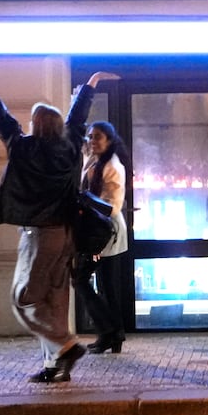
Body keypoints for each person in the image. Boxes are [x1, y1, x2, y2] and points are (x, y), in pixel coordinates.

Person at [0, 71, 119, 383]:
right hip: (67, 235)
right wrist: (90, 85)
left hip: (39, 234)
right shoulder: (70, 149)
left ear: (35, 126)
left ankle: (66, 345)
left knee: (23, 299)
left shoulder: (23, 148)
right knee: (54, 300)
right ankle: (56, 367)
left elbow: (2, 119)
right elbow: (78, 118)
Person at [75, 120, 131, 354]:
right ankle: (112, 333)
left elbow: (113, 208)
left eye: (98, 136)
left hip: (107, 231)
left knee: (89, 281)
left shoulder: (113, 167)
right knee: (101, 284)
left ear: (109, 140)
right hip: (95, 229)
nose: (92, 140)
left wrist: (85, 199)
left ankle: (111, 332)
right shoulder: (93, 161)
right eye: (90, 136)